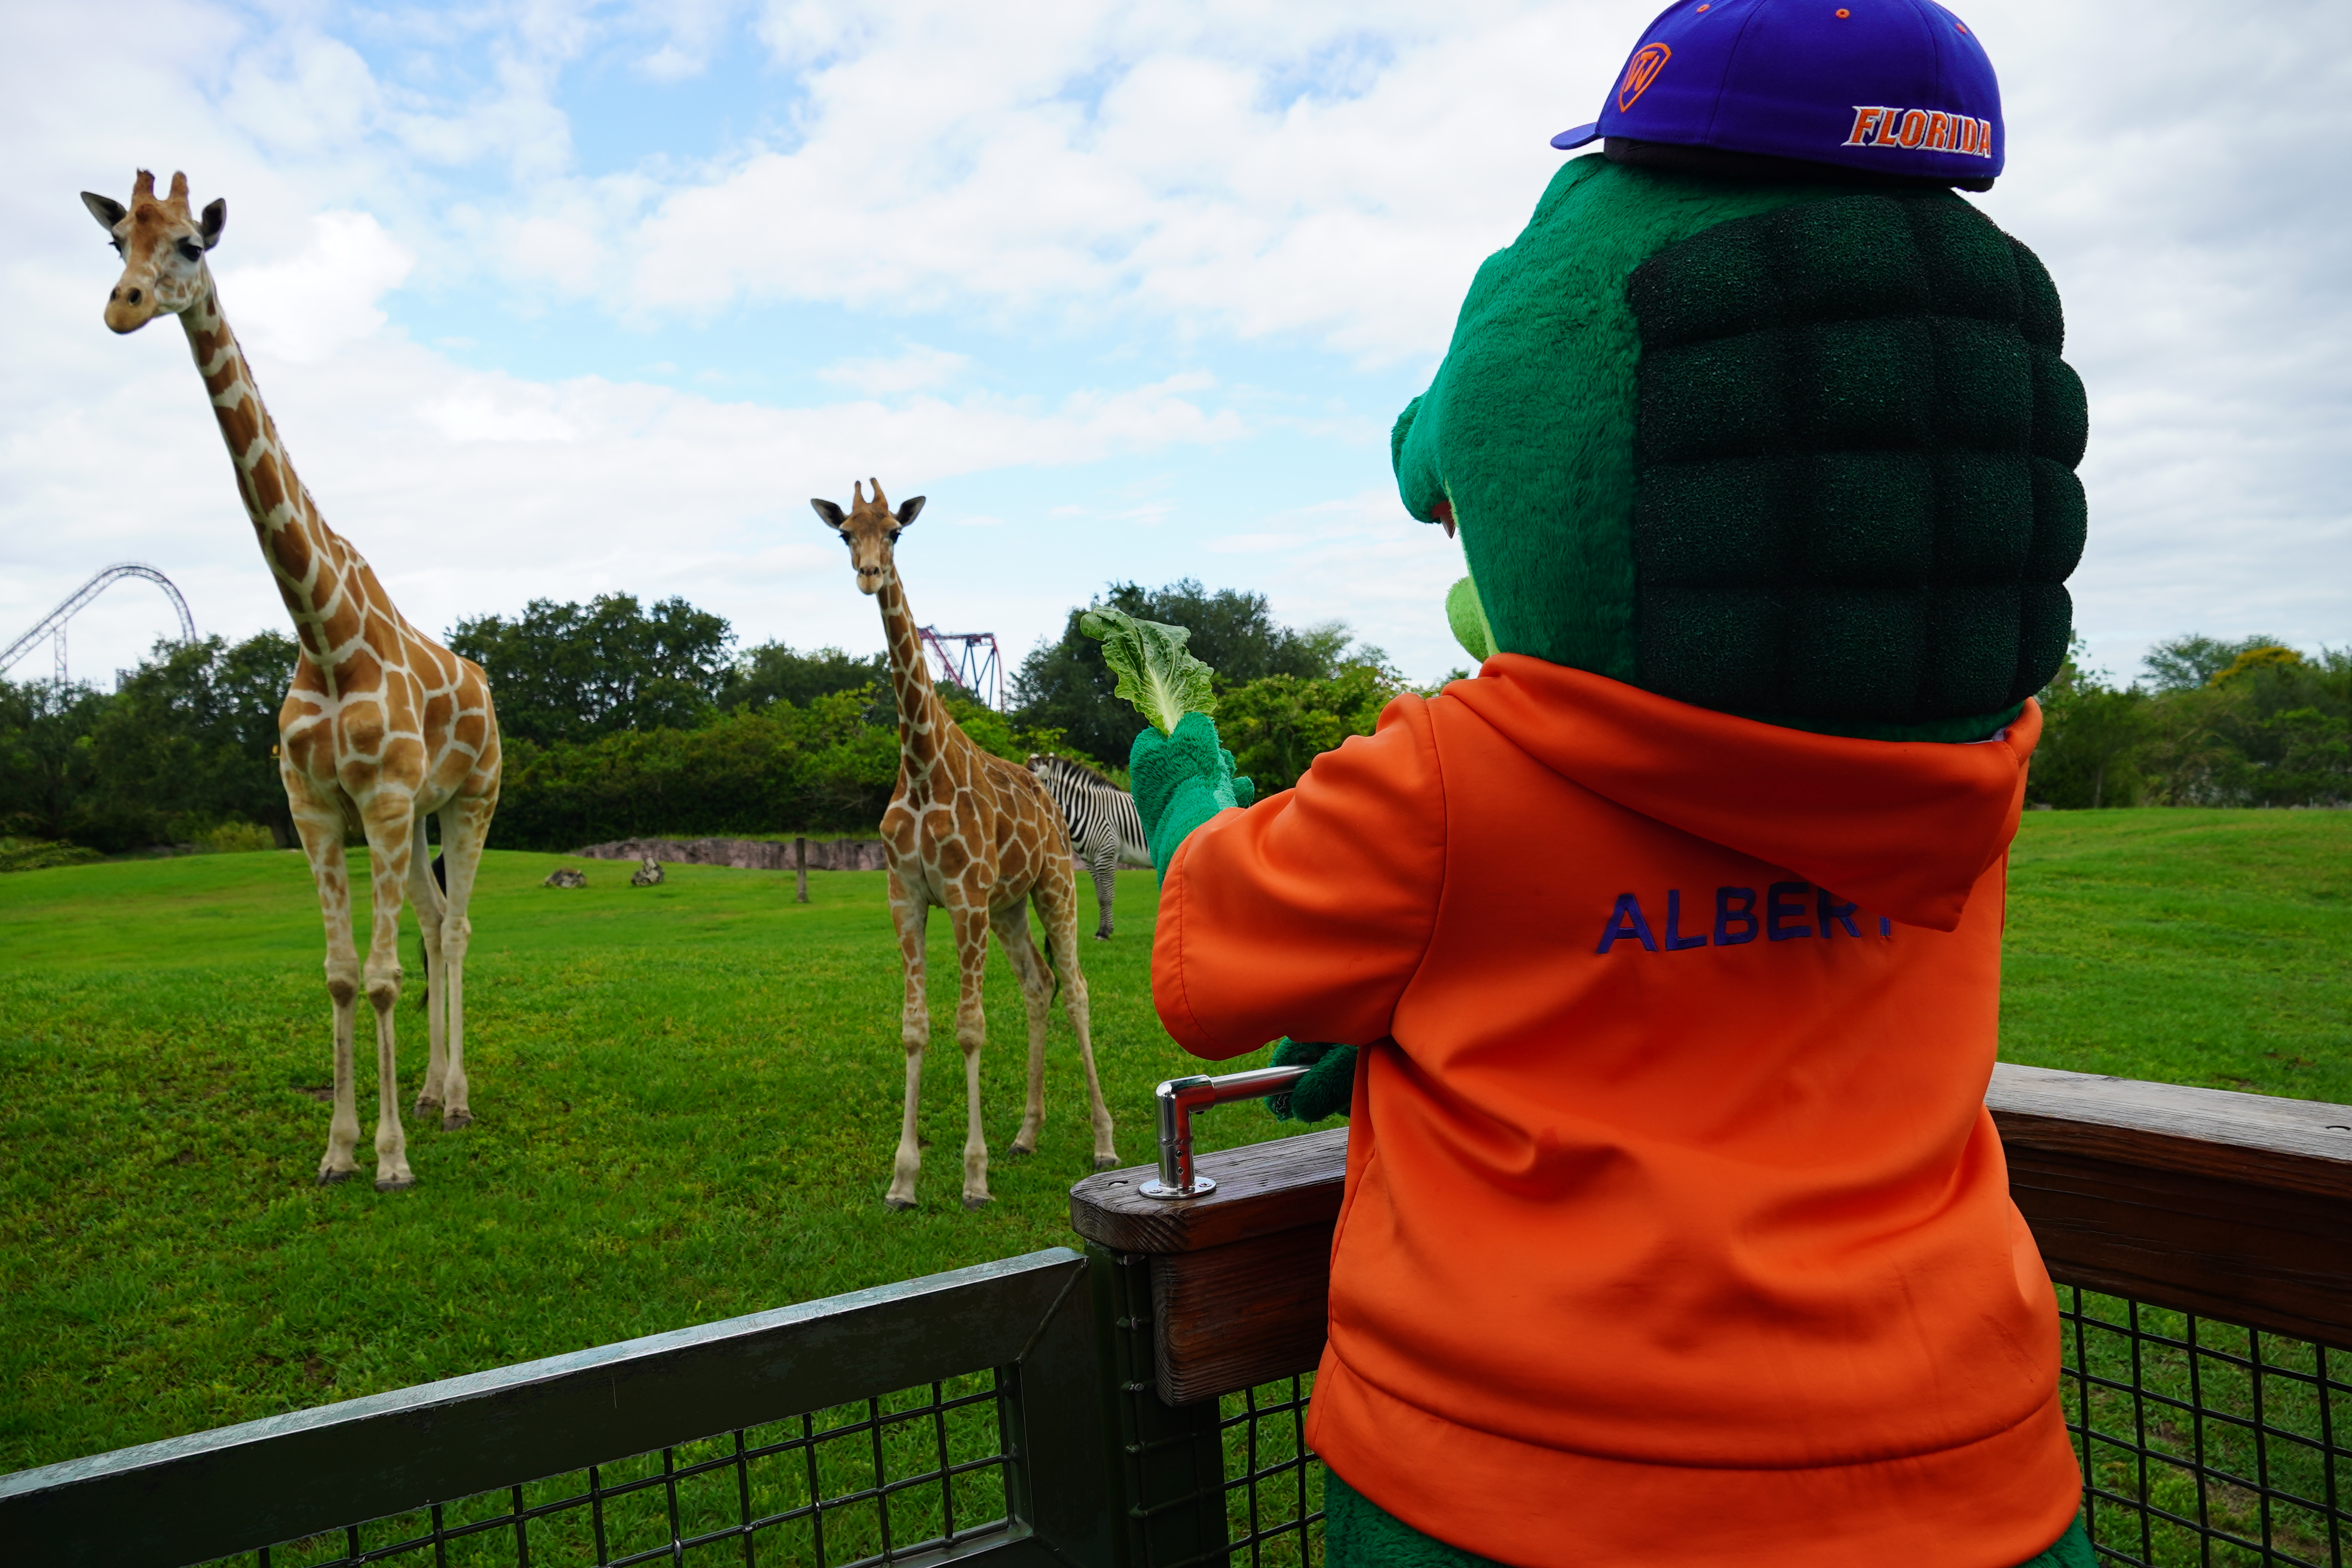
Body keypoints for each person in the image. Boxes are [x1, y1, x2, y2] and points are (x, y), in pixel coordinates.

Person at [1129, 2, 2093, 1563]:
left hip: (1511, 1486)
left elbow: (1211, 956)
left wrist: (1186, 778)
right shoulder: (1982, 773)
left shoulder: (1451, 782)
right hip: (1964, 1471)